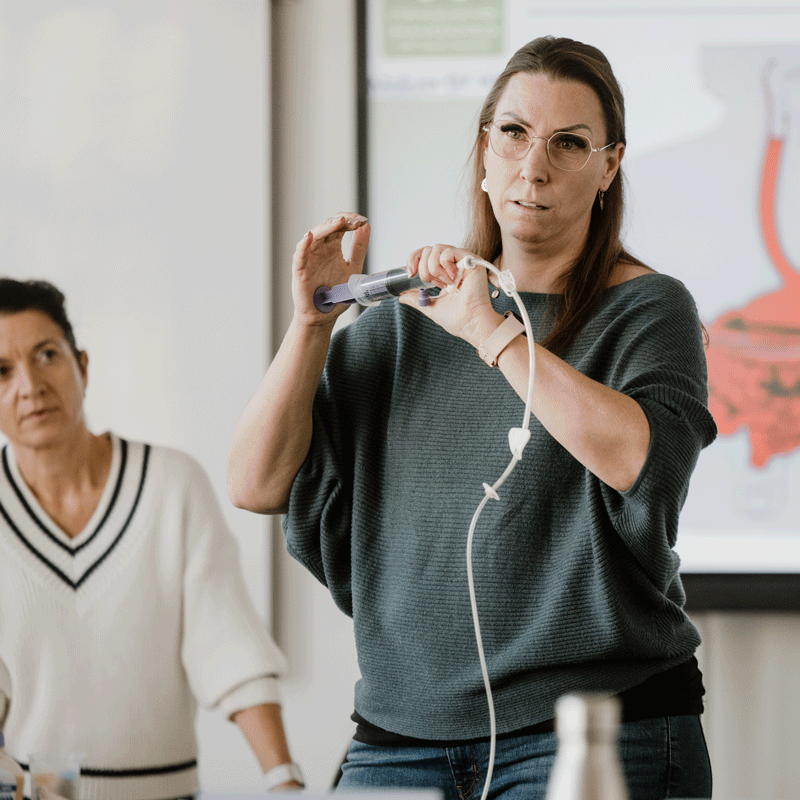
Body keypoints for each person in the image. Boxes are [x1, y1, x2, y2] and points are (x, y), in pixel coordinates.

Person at [227, 36, 717, 800]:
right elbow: (254, 483)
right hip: (400, 735)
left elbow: (638, 461)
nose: (534, 166)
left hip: (595, 727)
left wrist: (492, 333)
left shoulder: (650, 310)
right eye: (514, 134)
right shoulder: (400, 322)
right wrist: (311, 322)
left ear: (608, 167)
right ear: (484, 149)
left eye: (568, 144)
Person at [0, 278, 304, 799]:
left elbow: (227, 644)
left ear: (84, 366)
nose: (29, 386)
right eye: (2, 372)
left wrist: (282, 777)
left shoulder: (170, 483)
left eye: (46, 355)